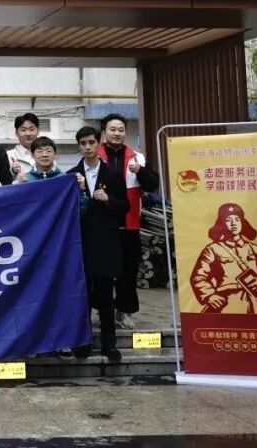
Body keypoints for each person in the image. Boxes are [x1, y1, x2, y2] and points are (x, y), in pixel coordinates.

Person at [67, 126, 129, 362]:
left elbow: (126, 207)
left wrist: (108, 199)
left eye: (91, 142)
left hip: (105, 242)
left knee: (105, 297)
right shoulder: (71, 175)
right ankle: (83, 343)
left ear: (99, 143)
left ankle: (109, 344)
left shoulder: (113, 173)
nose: (88, 147)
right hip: (81, 243)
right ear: (78, 147)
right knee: (82, 296)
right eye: (83, 143)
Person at [99, 113, 159, 330]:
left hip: (130, 223)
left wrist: (140, 172)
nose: (117, 133)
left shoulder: (137, 158)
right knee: (102, 272)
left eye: (121, 130)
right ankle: (103, 311)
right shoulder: (94, 155)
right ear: (104, 132)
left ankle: (124, 312)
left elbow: (152, 185)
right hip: (102, 224)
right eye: (112, 129)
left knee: (128, 271)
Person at [190, 203, 257, 315]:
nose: (233, 223)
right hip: (229, 303)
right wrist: (209, 295)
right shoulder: (212, 249)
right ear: (221, 224)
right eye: (228, 220)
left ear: (242, 223)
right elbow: (198, 277)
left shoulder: (254, 249)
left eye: (237, 219)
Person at [6, 113, 40, 179]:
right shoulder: (8, 155)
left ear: (38, 131)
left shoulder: (45, 154)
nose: (28, 134)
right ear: (16, 133)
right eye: (23, 130)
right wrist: (13, 172)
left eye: (32, 129)